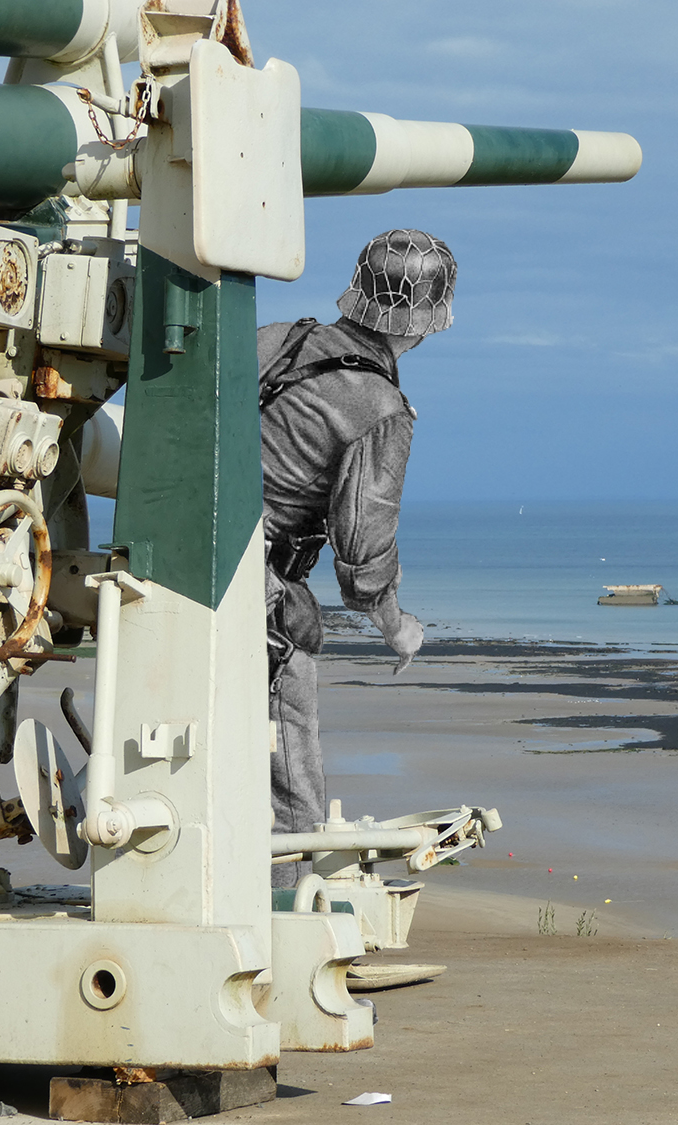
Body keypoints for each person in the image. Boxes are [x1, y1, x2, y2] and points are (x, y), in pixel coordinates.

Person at [259, 229, 457, 887]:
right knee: (292, 794)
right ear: (426, 324)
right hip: (256, 596)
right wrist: (396, 623)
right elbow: (363, 547)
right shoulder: (380, 408)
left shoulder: (276, 338)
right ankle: (282, 932)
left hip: (179, 564)